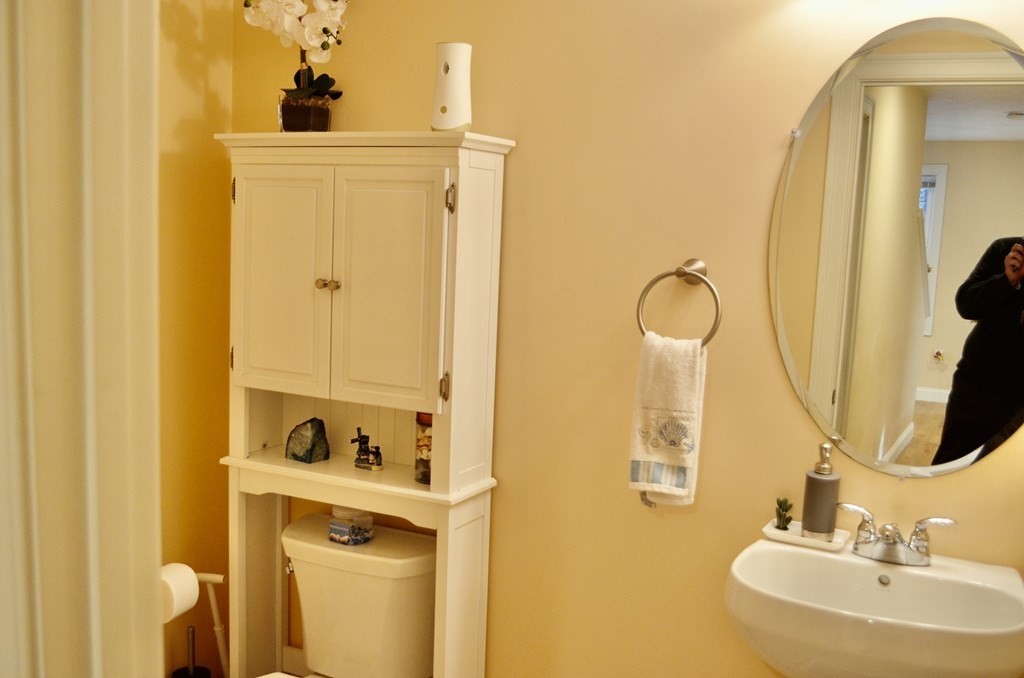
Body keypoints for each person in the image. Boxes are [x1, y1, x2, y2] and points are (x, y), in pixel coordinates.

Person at [932, 237, 1024, 465]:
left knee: (1004, 477)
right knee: (951, 465)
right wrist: (1006, 281)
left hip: (1019, 401)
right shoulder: (1005, 250)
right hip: (976, 386)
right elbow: (965, 304)